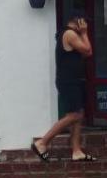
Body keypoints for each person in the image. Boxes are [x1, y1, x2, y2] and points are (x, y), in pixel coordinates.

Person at [33, 15, 94, 162]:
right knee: (74, 115)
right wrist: (85, 33)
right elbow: (88, 51)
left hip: (74, 80)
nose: (86, 26)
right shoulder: (70, 34)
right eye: (84, 23)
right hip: (69, 81)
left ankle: (76, 151)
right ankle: (42, 142)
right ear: (79, 22)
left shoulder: (69, 34)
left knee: (79, 114)